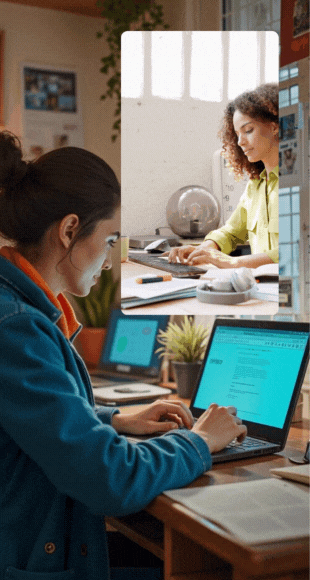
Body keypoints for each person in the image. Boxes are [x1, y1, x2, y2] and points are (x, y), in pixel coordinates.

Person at [0, 131, 246, 580]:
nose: (111, 261)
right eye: (111, 240)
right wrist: (201, 441)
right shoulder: (16, 326)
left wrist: (114, 419)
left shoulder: (18, 308)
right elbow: (109, 478)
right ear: (70, 229)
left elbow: (31, 414)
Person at [168, 83, 279, 269]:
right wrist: (203, 249)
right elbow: (231, 232)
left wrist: (235, 262)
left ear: (275, 127)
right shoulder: (255, 186)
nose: (241, 142)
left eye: (248, 130)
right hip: (262, 289)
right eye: (237, 134)